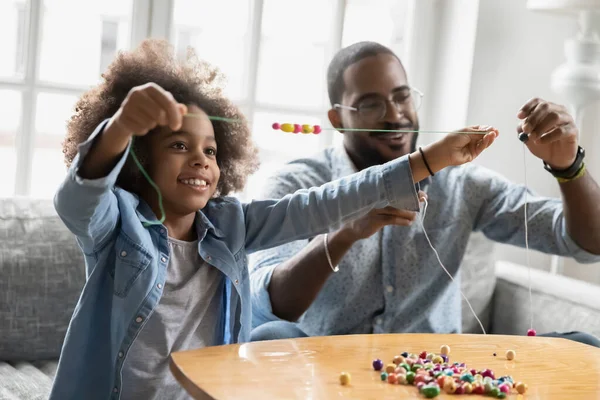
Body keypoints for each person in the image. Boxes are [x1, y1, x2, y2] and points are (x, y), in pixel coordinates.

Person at [49, 39, 497, 399]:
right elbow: (77, 198)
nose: (202, 160)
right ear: (138, 160)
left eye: (210, 149)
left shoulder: (230, 227)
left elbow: (320, 204)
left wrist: (427, 159)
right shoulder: (117, 227)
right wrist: (121, 127)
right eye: (179, 146)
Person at [249, 41, 600, 346]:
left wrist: (569, 166)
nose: (395, 115)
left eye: (402, 97)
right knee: (269, 339)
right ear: (337, 118)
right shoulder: (297, 185)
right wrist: (343, 234)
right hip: (327, 374)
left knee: (584, 345)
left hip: (436, 375)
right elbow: (273, 304)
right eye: (371, 104)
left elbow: (587, 244)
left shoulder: (463, 185)